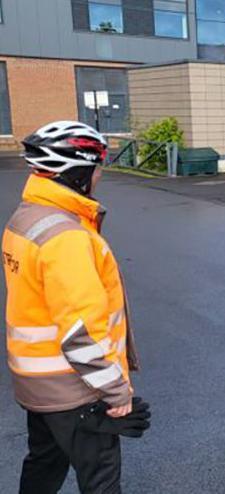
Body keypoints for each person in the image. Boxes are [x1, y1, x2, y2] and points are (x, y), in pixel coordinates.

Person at [3, 121, 149, 493]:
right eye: (97, 167)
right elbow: (80, 331)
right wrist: (116, 393)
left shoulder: (25, 219)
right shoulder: (67, 237)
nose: (99, 176)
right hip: (77, 392)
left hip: (37, 386)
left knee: (43, 467)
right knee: (100, 480)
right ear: (78, 171)